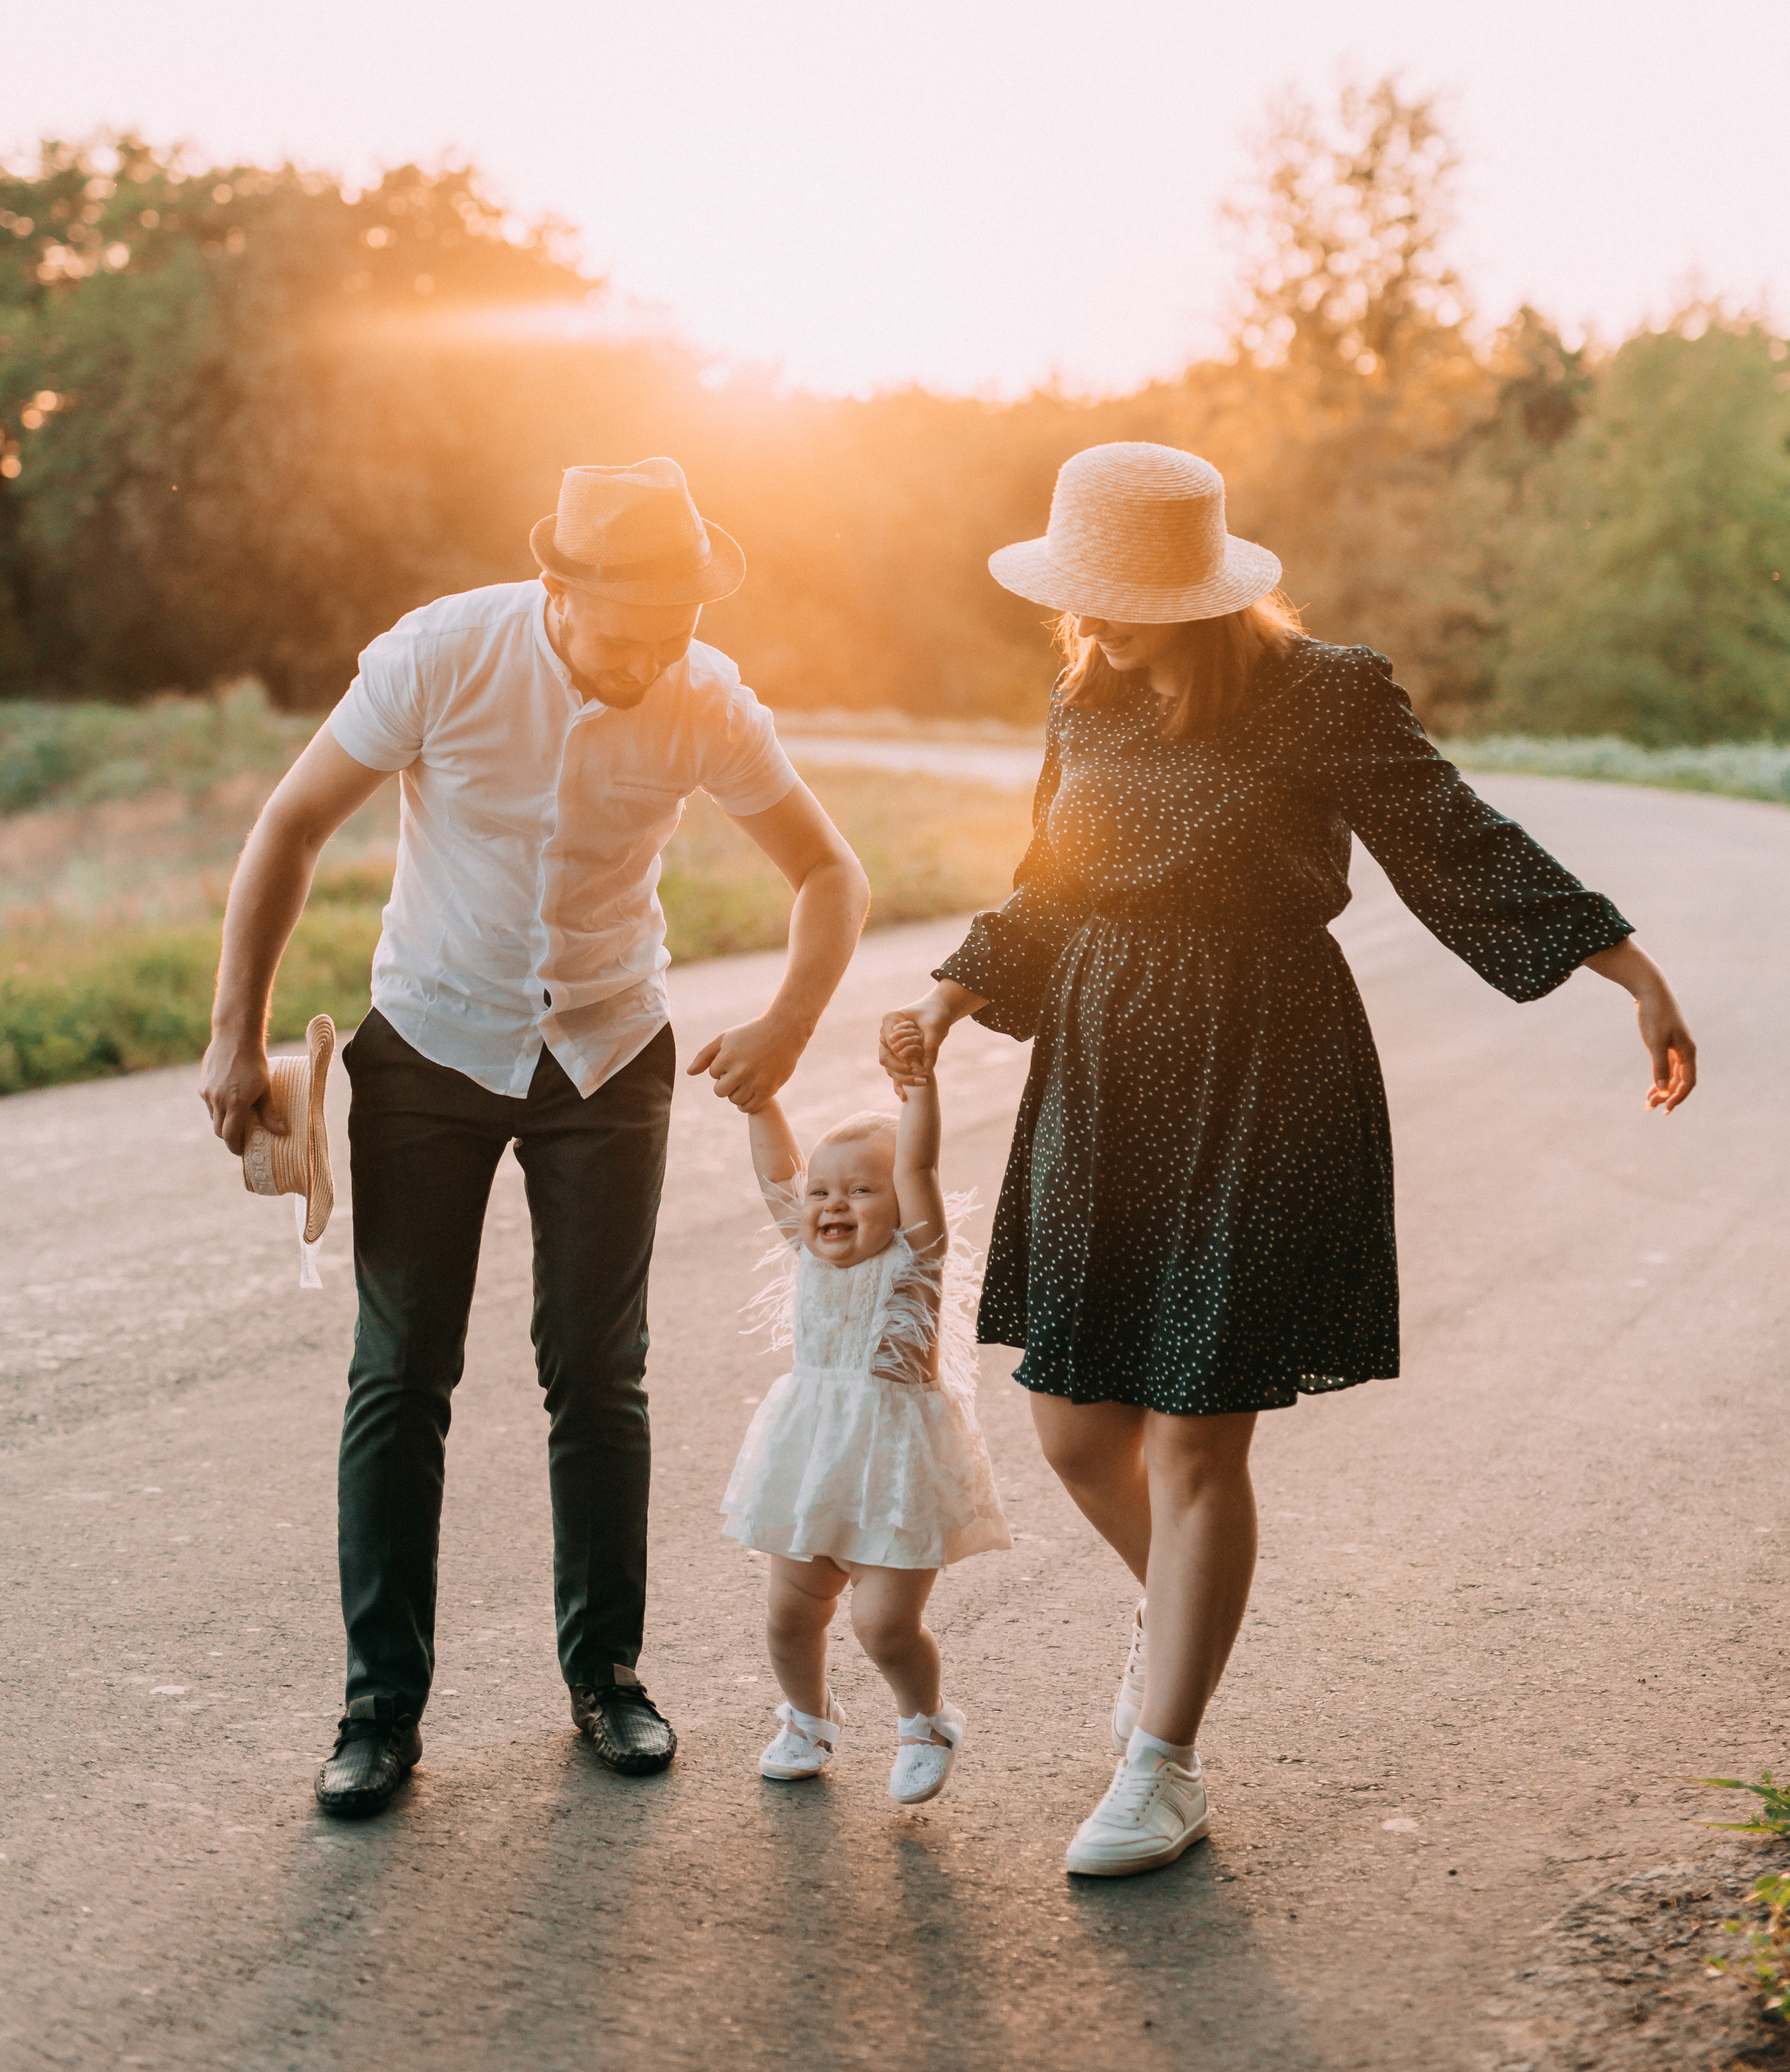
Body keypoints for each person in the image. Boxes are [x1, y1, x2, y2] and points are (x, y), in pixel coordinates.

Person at [879, 440, 1696, 1881]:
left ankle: (1161, 1762)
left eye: (1124, 594)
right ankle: (1185, 1611)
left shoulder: (1320, 692)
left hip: (1263, 1058)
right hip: (1100, 1066)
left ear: (1198, 589)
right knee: (1073, 1424)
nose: (1097, 618)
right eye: (1085, 593)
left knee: (1194, 1424)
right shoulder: (1084, 690)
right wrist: (951, 989)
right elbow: (1051, 880)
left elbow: (1451, 836)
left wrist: (1619, 967)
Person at [200, 456, 870, 1818]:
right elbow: (292, 823)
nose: (659, 656)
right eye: (635, 629)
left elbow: (830, 872)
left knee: (597, 1370)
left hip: (610, 1052)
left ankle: (607, 1677)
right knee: (401, 1371)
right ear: (558, 589)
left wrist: (794, 1020)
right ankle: (379, 1708)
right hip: (433, 1036)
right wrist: (234, 1028)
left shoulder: (702, 694)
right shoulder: (442, 657)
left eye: (682, 623)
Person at [719, 1042, 1010, 1802]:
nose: (832, 1204)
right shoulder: (810, 1255)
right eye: (824, 1191)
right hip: (815, 1460)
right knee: (790, 1613)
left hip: (896, 1469)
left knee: (883, 1625)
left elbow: (918, 1170)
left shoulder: (916, 1260)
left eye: (860, 1189)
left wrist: (918, 1096)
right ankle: (808, 1719)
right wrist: (760, 1101)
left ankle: (925, 1721)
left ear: (902, 1205)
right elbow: (777, 1178)